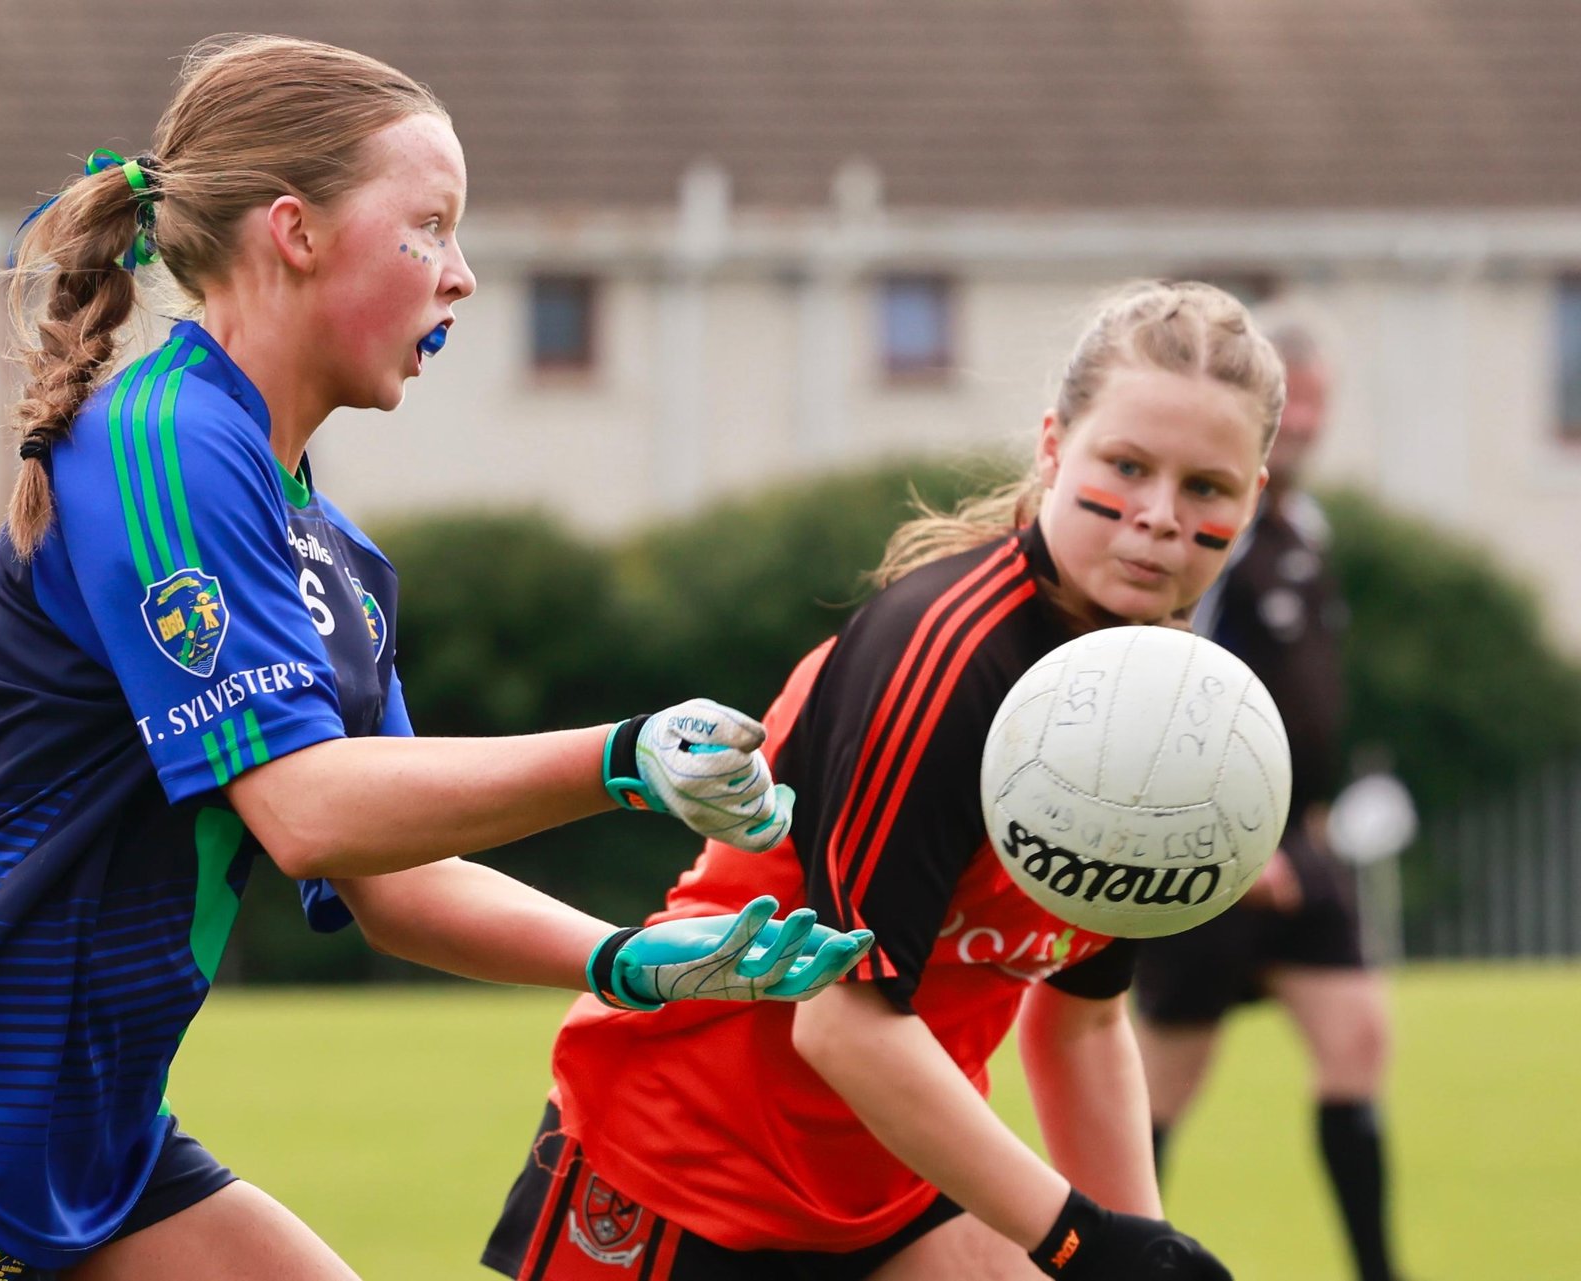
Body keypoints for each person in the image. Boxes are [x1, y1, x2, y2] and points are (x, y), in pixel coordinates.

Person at [0, 35, 870, 1281]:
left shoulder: (335, 554)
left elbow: (395, 877)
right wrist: (626, 757)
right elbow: (307, 812)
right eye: (430, 225)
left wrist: (626, 958)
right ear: (295, 232)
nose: (464, 278)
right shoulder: (164, 440)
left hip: (78, 1141)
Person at [484, 280, 1283, 1281]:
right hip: (686, 1170)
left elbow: (1079, 1023)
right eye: (1127, 466)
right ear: (1052, 447)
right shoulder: (945, 657)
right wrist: (1081, 1241)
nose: (1160, 518)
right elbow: (845, 1021)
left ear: (1254, 496)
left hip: (893, 1175)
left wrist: (1142, 1246)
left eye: (1207, 487)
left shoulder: (1161, 706)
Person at [1133, 316, 1404, 1281]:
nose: (1310, 420)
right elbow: (1166, 679)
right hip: (1210, 849)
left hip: (1304, 845)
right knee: (1162, 1085)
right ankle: (1119, 1261)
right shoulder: (1216, 530)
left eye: (1324, 400)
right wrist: (1228, 845)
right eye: (1298, 399)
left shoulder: (1309, 525)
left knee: (1359, 1038)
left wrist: (1315, 824)